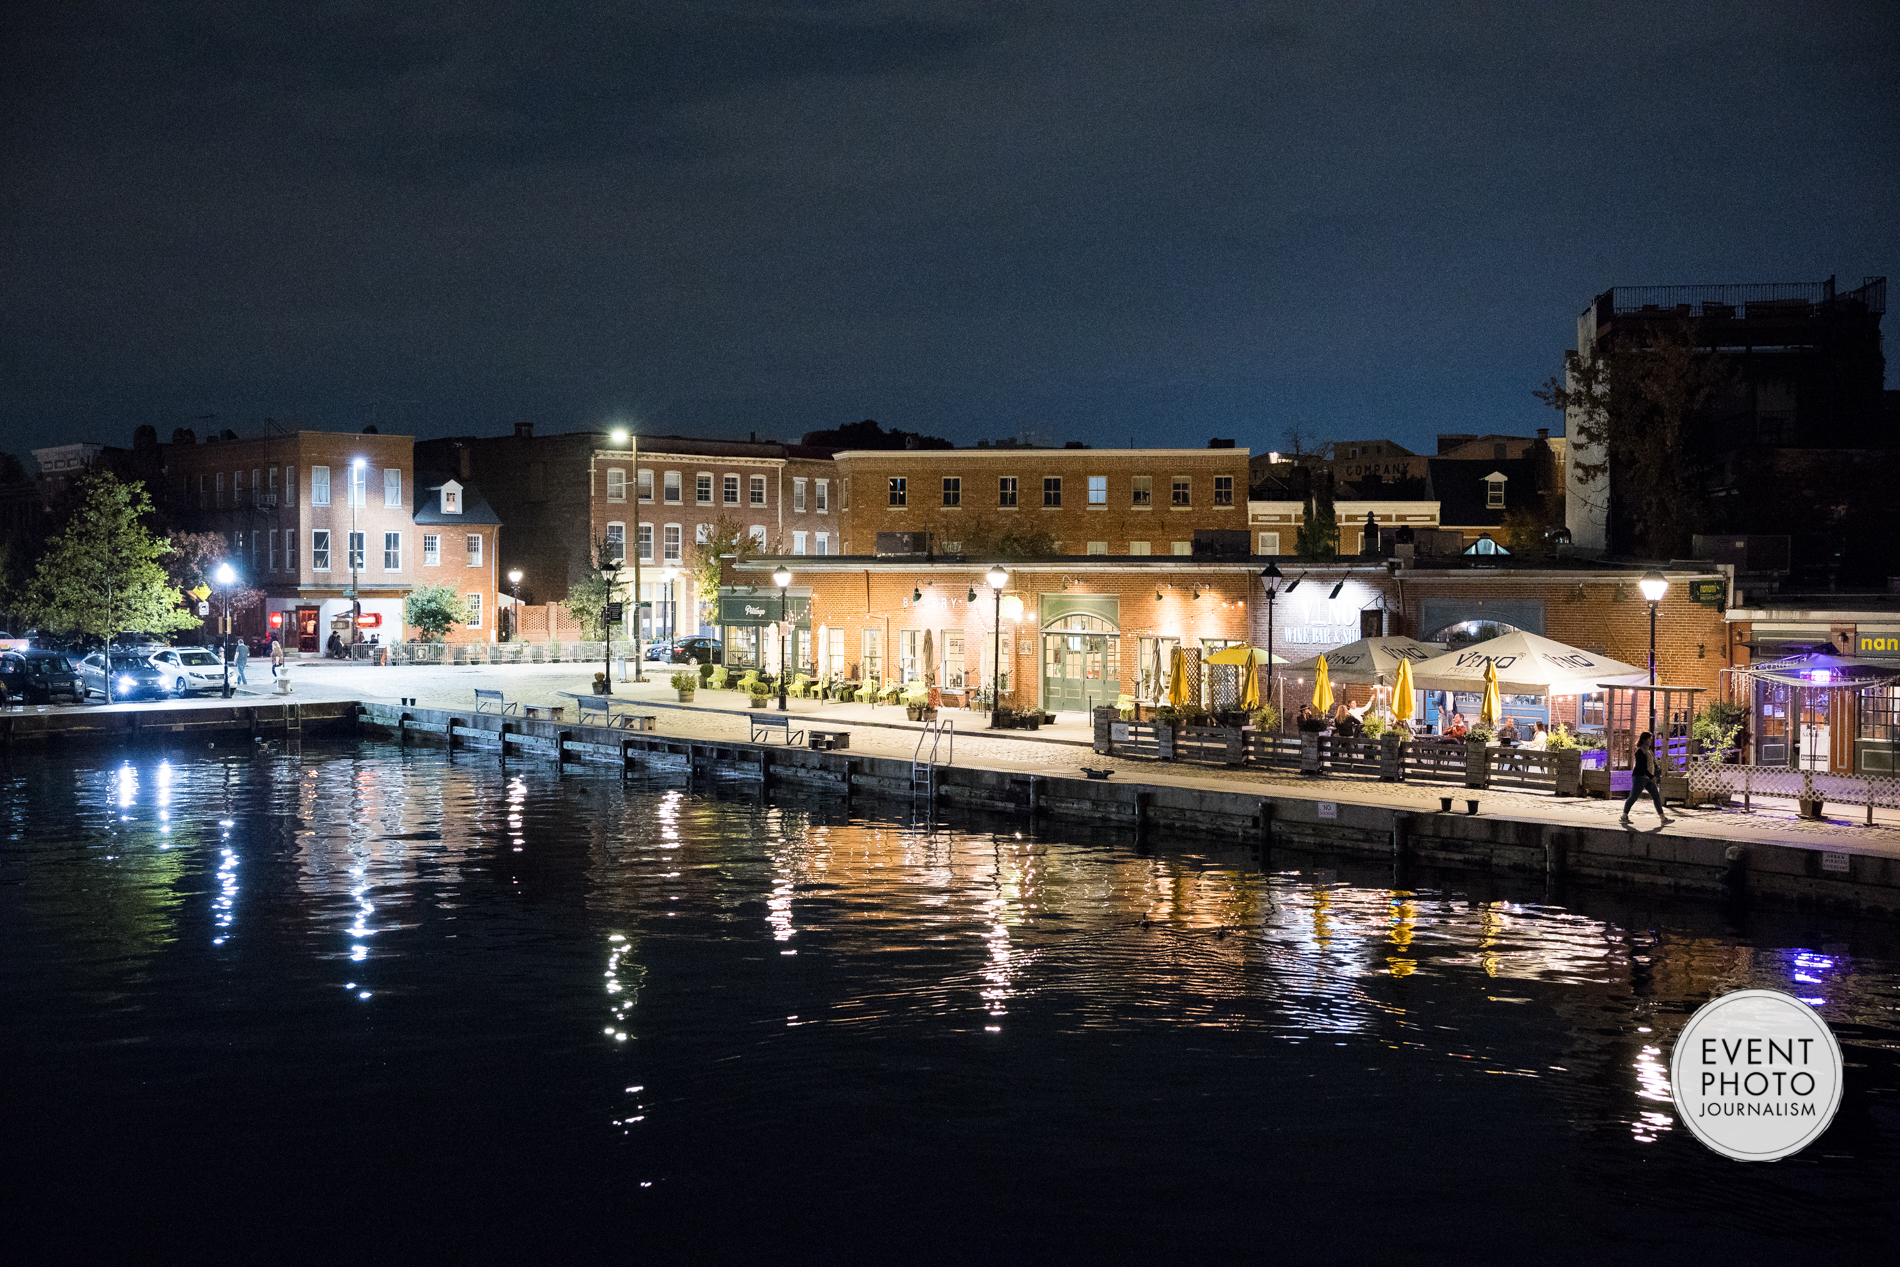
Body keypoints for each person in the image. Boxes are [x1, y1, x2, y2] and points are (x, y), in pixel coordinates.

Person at [1622, 730, 1670, 825]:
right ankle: (1624, 815)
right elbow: (1641, 766)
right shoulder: (1640, 751)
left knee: (1656, 796)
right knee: (1634, 797)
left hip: (1648, 778)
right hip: (1640, 777)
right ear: (1644, 740)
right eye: (1649, 739)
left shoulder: (1649, 751)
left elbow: (1653, 764)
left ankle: (1663, 818)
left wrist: (1655, 774)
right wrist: (1651, 776)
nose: (1651, 741)